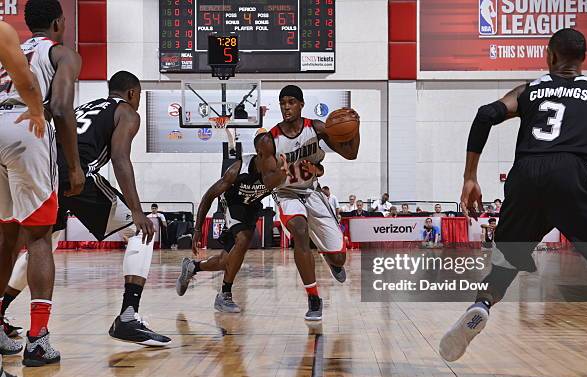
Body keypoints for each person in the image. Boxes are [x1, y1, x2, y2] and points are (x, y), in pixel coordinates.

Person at [439, 29, 587, 363]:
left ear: (549, 56)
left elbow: (485, 115)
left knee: (506, 263)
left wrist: (470, 177)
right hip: (570, 175)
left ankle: (482, 304)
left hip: (525, 177)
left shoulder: (528, 90)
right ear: (584, 59)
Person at [2, 71, 172, 351]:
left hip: (46, 171)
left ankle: (2, 312)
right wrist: (138, 211)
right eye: (139, 95)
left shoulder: (87, 106)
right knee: (140, 232)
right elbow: (119, 158)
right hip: (77, 173)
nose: (138, 101)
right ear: (132, 93)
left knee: (42, 243)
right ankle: (128, 316)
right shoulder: (127, 112)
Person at [0, 0, 86, 370]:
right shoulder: (62, 53)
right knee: (38, 237)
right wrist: (74, 165)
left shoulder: (11, 48)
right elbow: (63, 108)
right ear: (58, 22)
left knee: (5, 236)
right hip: (26, 130)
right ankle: (38, 339)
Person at [258, 85, 360, 320]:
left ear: (301, 104)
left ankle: (330, 257)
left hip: (312, 192)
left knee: (339, 257)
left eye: (291, 102)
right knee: (300, 231)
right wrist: (281, 173)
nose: (286, 107)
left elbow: (350, 154)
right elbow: (268, 183)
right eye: (283, 102)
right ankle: (313, 298)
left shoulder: (315, 128)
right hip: (286, 194)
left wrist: (356, 128)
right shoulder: (269, 140)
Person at [176, 132, 292, 312]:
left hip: (252, 207)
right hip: (232, 204)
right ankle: (224, 294)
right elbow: (208, 196)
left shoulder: (279, 171)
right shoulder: (237, 170)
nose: (272, 162)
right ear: (259, 155)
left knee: (226, 260)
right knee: (243, 239)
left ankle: (192, 266)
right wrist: (197, 229)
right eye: (268, 157)